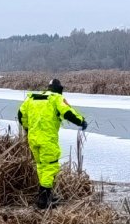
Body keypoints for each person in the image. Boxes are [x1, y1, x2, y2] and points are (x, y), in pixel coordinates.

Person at [18, 78, 88, 209]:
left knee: (41, 166)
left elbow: (21, 114)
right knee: (51, 167)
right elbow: (68, 112)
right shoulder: (56, 98)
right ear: (59, 89)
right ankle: (44, 199)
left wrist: (28, 128)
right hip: (47, 139)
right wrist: (81, 121)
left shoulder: (31, 98)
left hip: (33, 139)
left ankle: (45, 194)